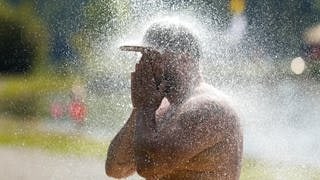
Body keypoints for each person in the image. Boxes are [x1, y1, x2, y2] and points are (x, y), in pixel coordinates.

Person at [105, 21, 243, 180]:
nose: (145, 65)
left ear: (185, 60)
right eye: (143, 57)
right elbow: (116, 168)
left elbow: (150, 167)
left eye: (153, 57)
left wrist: (144, 107)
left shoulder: (209, 107)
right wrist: (139, 109)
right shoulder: (160, 108)